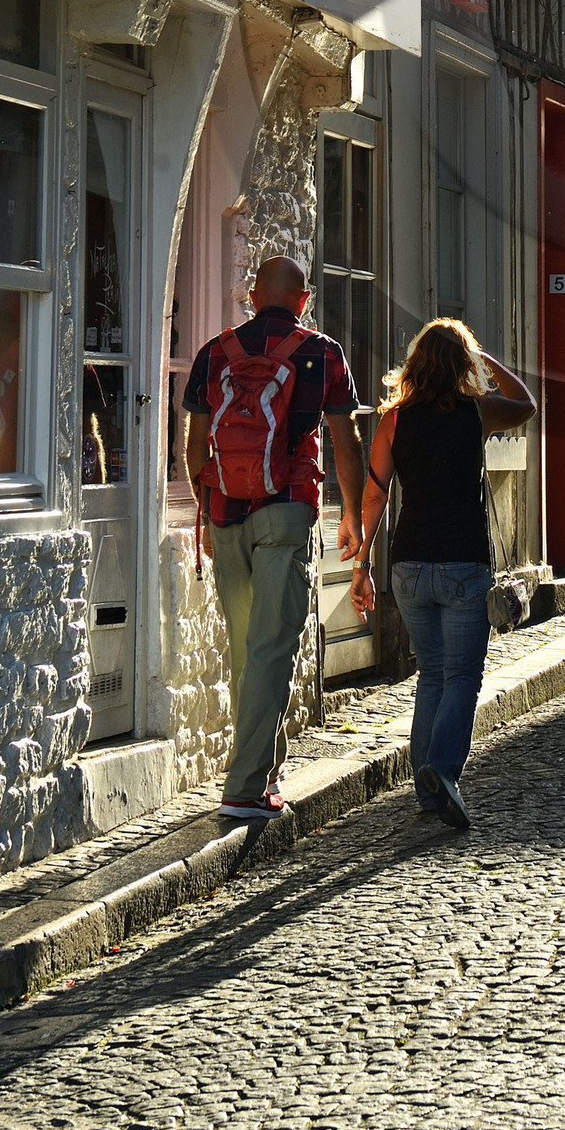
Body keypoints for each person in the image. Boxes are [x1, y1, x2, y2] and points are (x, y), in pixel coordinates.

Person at [185, 256, 365, 821]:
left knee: (247, 648)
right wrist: (353, 513)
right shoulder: (322, 352)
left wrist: (207, 508)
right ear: (304, 300)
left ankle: (263, 773)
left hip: (225, 512)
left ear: (253, 296)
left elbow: (193, 446)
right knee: (271, 645)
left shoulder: (214, 352)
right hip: (286, 509)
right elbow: (346, 438)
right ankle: (244, 791)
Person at [347, 318, 535, 832]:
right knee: (463, 676)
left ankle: (427, 791)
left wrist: (362, 566)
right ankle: (443, 770)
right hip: (462, 565)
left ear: (415, 364)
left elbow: (375, 495)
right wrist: (489, 363)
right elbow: (527, 405)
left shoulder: (394, 421)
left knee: (431, 673)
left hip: (408, 567)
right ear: (464, 366)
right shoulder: (478, 411)